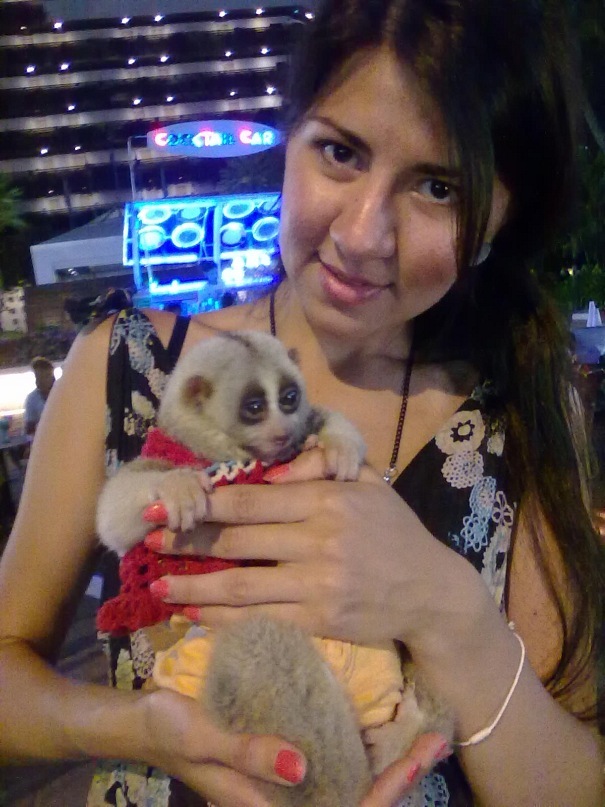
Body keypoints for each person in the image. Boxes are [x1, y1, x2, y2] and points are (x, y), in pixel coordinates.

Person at [0, 0, 603, 804]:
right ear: (289, 138)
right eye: (339, 151)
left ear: (501, 219)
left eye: (437, 186)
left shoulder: (518, 409)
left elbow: (575, 781)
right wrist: (137, 725)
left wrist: (447, 609)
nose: (362, 235)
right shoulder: (125, 364)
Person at [23, 355, 56, 436]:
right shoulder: (32, 399)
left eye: (44, 377)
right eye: (37, 377)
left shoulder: (62, 394)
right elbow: (29, 429)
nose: (39, 381)